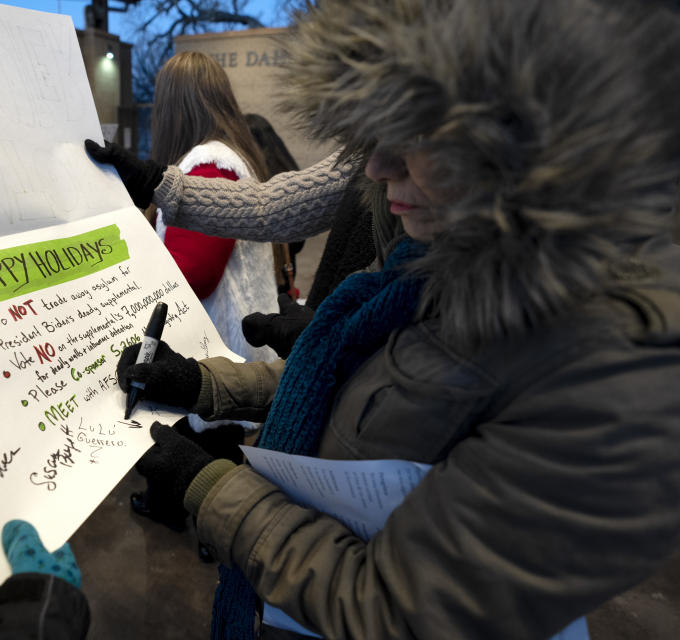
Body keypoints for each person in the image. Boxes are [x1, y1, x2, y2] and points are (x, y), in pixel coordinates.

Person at [115, 0, 680, 638]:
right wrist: (204, 384)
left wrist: (212, 488)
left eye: (418, 134)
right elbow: (376, 387)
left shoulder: (616, 377)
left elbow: (396, 610)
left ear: (538, 142)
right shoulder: (442, 264)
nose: (376, 170)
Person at [149, 51, 276, 364]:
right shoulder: (229, 156)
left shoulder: (209, 166)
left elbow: (192, 275)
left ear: (170, 108)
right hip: (239, 350)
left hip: (221, 357)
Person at [243, 113, 304, 298]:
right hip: (285, 280)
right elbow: (299, 241)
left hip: (262, 283)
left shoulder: (255, 186)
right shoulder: (292, 180)